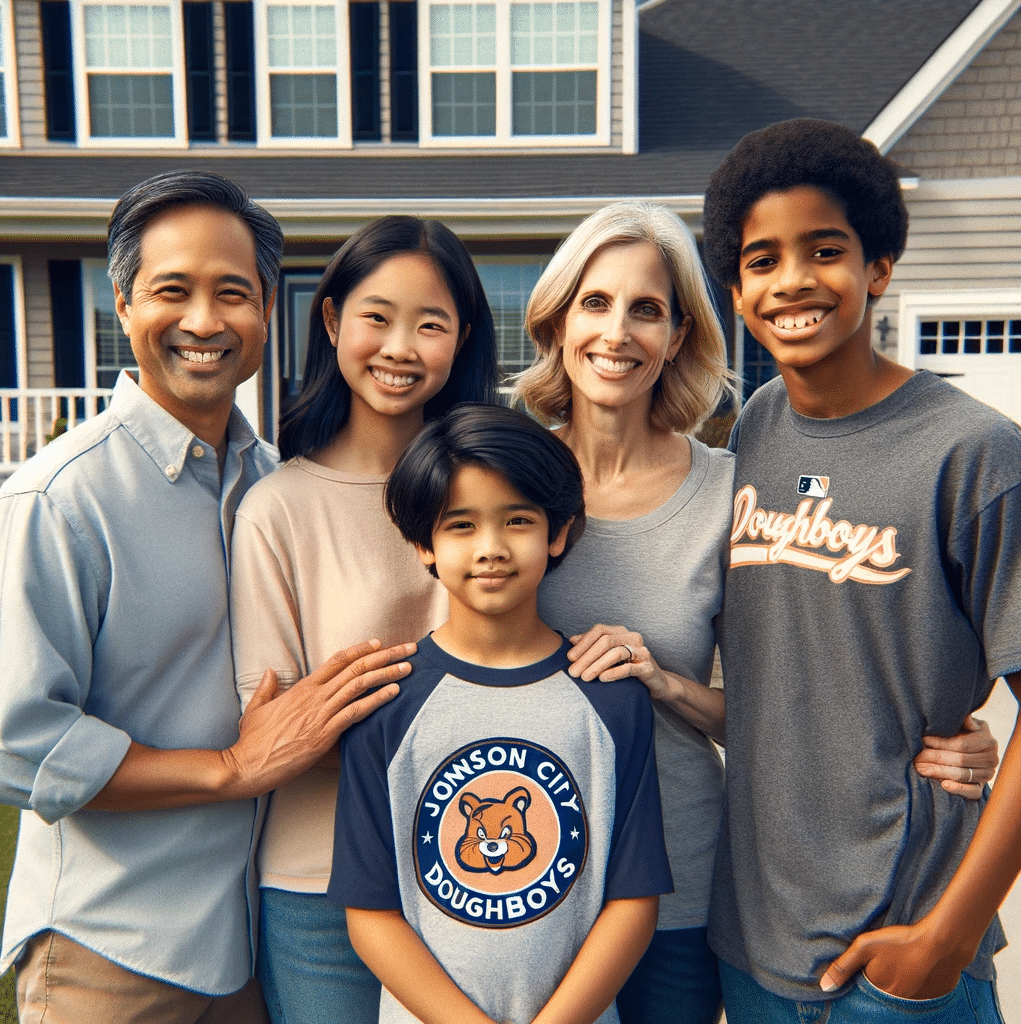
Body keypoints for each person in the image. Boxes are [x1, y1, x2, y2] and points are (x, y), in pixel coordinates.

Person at [511, 200, 1002, 1024]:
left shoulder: (733, 487)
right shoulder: (501, 478)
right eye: (594, 303)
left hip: (682, 869)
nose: (617, 332)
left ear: (678, 337)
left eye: (648, 310)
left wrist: (946, 733)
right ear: (556, 322)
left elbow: (793, 694)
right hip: (529, 869)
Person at [0, 170, 413, 1024]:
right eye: (171, 291)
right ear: (122, 303)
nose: (203, 321)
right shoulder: (60, 498)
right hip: (109, 948)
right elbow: (17, 742)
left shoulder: (274, 485)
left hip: (247, 945)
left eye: (233, 292)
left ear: (267, 309)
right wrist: (230, 770)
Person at [700, 118, 1021, 1021]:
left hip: (901, 956)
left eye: (825, 249)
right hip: (753, 950)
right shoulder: (756, 426)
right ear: (735, 288)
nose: (793, 280)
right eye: (762, 260)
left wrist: (947, 940)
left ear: (878, 266)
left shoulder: (976, 454)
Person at [229, 215, 499, 1023]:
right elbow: (274, 728)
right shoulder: (276, 508)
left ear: (463, 338)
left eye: (431, 324)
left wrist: (361, 697)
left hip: (484, 872)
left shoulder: (489, 495)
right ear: (332, 318)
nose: (400, 346)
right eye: (377, 317)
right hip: (320, 883)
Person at [330, 402, 672, 1024]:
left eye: (517, 521)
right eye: (459, 525)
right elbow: (370, 911)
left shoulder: (611, 696)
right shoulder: (387, 702)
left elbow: (633, 900)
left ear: (559, 532)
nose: (490, 549)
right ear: (422, 545)